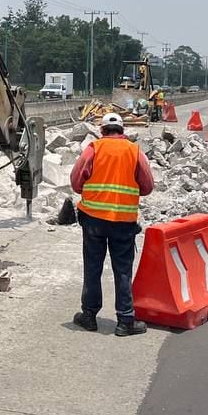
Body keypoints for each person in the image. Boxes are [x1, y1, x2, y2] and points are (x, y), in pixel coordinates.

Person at [69, 112, 155, 336]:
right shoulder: (134, 151)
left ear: (102, 130)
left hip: (93, 220)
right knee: (123, 270)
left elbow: (76, 181)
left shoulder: (94, 148)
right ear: (123, 131)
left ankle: (88, 316)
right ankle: (125, 321)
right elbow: (147, 186)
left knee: (93, 267)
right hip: (123, 221)